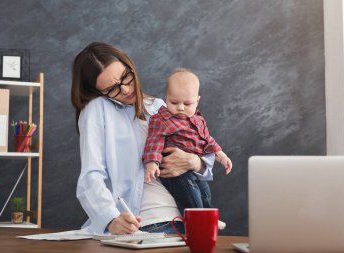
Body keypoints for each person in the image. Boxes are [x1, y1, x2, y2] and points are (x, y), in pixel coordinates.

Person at [71, 42, 215, 235]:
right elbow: (91, 175)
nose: (124, 90)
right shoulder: (97, 109)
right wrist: (111, 218)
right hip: (149, 222)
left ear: (130, 66)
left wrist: (196, 162)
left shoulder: (159, 106)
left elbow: (200, 155)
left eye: (125, 77)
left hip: (187, 217)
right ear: (99, 92)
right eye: (112, 89)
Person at [143, 68, 232, 214]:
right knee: (192, 200)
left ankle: (208, 220)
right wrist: (152, 163)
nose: (180, 108)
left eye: (187, 104)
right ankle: (196, 220)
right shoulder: (161, 119)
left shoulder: (197, 119)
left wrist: (221, 155)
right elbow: (154, 142)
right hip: (175, 172)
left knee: (204, 194)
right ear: (166, 98)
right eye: (174, 102)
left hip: (193, 170)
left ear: (197, 101)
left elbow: (207, 140)